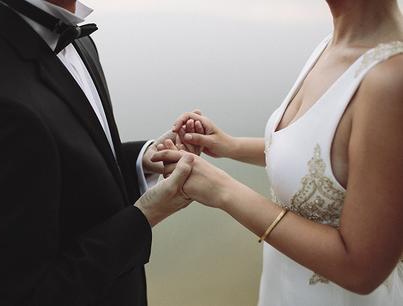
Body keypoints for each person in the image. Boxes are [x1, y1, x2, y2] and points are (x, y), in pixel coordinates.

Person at [0, 0, 202, 305]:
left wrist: (143, 158)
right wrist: (147, 214)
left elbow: (54, 168)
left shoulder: (75, 37)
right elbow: (10, 296)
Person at [153, 0, 403, 305]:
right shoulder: (331, 44)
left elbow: (362, 268)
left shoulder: (391, 79)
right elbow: (324, 160)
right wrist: (230, 146)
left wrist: (222, 190)